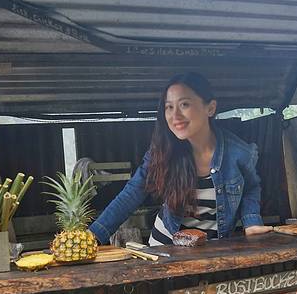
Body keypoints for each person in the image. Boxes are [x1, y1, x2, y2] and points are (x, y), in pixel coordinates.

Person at [89, 72, 271, 246]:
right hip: (165, 247)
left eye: (184, 104)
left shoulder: (240, 153)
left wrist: (251, 221)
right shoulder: (162, 150)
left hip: (212, 249)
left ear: (210, 108)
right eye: (169, 107)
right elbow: (131, 194)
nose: (175, 116)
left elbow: (251, 187)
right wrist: (93, 236)